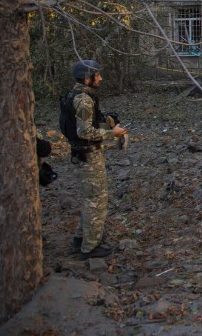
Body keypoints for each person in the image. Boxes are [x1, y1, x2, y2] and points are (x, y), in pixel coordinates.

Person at [60, 60, 128, 260]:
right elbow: (84, 131)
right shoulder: (83, 99)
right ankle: (90, 248)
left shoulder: (78, 95)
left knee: (90, 199)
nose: (100, 78)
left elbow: (84, 123)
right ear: (86, 79)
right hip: (88, 156)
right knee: (96, 202)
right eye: (96, 75)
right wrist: (112, 133)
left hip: (85, 154)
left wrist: (106, 120)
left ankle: (80, 239)